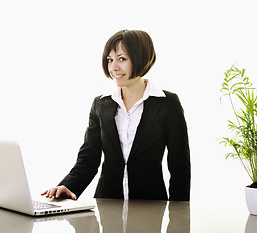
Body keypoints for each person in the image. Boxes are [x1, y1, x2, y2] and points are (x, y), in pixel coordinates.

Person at [42, 30, 191, 201]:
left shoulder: (167, 103)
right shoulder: (101, 104)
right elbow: (89, 158)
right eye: (110, 60)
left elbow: (180, 166)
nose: (114, 67)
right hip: (107, 204)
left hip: (150, 206)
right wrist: (68, 185)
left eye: (122, 59)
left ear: (142, 57)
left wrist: (179, 215)